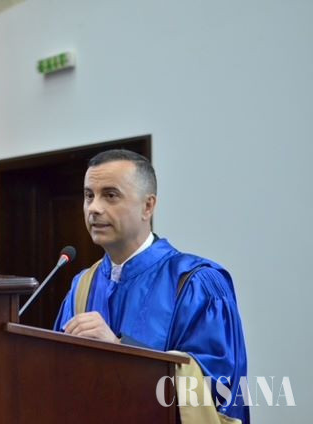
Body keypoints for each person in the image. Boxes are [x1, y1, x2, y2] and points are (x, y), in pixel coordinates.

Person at [54, 149, 249, 423]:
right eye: (89, 195)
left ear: (148, 206)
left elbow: (222, 390)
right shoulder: (82, 285)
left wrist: (120, 350)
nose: (94, 208)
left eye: (110, 195)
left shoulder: (197, 282)